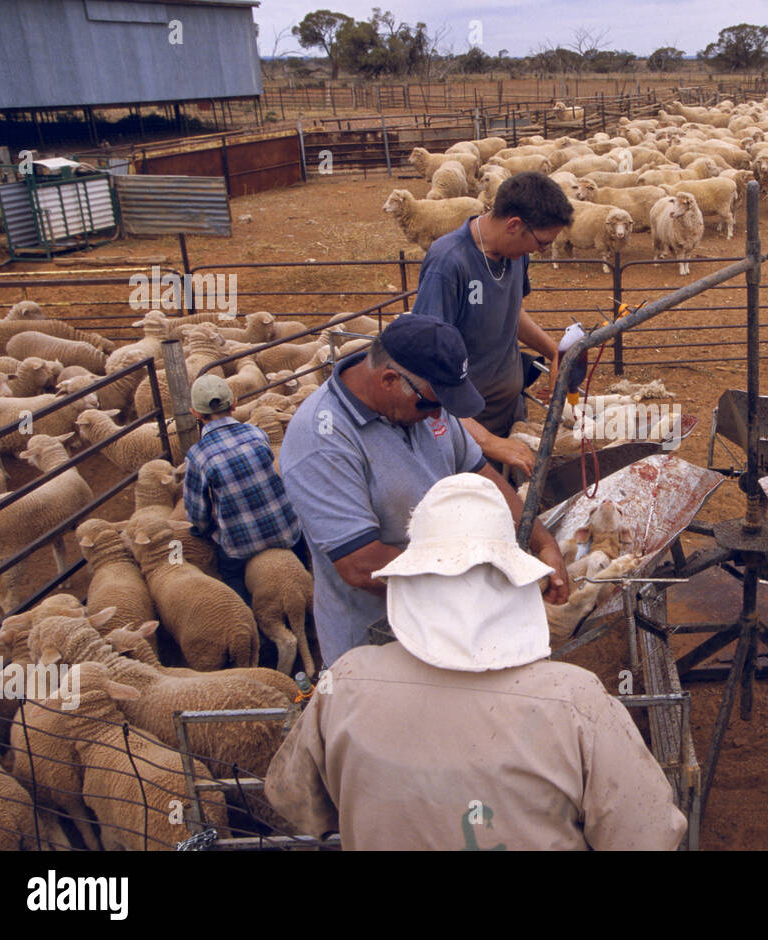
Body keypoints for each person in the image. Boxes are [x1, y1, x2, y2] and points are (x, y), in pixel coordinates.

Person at [264, 473, 688, 851]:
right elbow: (648, 834)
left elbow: (295, 801)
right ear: (512, 578)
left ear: (412, 577)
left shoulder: (346, 681)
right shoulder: (575, 700)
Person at [277, 315, 568, 667]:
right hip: (379, 641)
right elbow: (360, 564)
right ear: (389, 380)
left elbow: (481, 475)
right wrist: (481, 594)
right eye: (432, 403)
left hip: (456, 622)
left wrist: (542, 541)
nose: (439, 414)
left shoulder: (422, 404)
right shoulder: (322, 440)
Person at [410, 171, 574, 475]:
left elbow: (510, 311)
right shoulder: (449, 263)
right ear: (514, 225)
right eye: (540, 243)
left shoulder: (514, 255)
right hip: (465, 427)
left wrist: (555, 351)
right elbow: (423, 366)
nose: (539, 252)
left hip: (508, 412)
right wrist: (485, 440)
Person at [182, 374, 305, 602]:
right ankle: (308, 591)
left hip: (240, 544)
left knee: (229, 572)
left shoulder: (198, 456)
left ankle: (247, 612)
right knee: (301, 553)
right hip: (285, 529)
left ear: (195, 413)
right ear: (235, 403)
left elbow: (197, 513)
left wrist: (203, 531)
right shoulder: (257, 434)